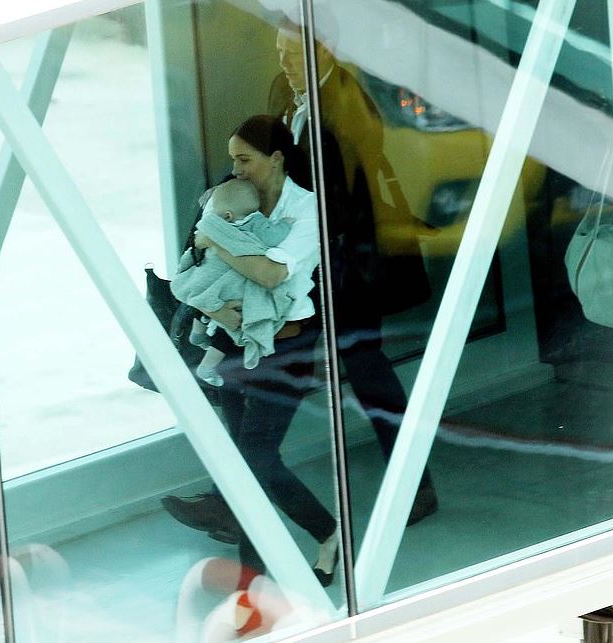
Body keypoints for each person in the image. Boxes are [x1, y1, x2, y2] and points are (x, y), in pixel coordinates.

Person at [269, 17, 440, 521]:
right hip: (324, 264)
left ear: (324, 52)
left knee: (363, 371)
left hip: (347, 266)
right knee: (318, 370)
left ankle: (417, 486)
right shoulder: (292, 94)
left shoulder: (347, 106)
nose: (284, 63)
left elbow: (341, 202)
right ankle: (235, 499)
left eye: (294, 54)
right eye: (279, 52)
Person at [164, 115, 341, 586]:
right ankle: (281, 557)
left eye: (244, 159)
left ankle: (275, 558)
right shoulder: (230, 195)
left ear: (276, 158)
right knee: (250, 460)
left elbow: (269, 275)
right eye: (233, 159)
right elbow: (195, 256)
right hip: (234, 340)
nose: (236, 168)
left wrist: (218, 240)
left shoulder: (306, 211)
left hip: (286, 346)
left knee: (255, 458)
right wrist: (221, 311)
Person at [171, 179, 295, 386]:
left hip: (209, 276)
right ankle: (207, 366)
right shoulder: (255, 222)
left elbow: (198, 247)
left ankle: (198, 332)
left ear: (227, 214)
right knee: (236, 320)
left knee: (205, 292)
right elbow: (272, 237)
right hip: (230, 279)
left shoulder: (213, 226)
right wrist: (285, 225)